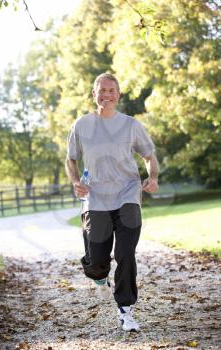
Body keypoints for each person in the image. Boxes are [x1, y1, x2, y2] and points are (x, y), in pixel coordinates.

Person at [66, 73, 159, 332]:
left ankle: (126, 311)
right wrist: (75, 181)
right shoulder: (81, 125)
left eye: (111, 90)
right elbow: (71, 159)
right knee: (96, 262)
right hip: (95, 199)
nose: (106, 94)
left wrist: (152, 177)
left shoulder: (131, 125)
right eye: (101, 90)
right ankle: (99, 278)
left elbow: (149, 156)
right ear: (94, 94)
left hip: (128, 195)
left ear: (118, 95)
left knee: (126, 253)